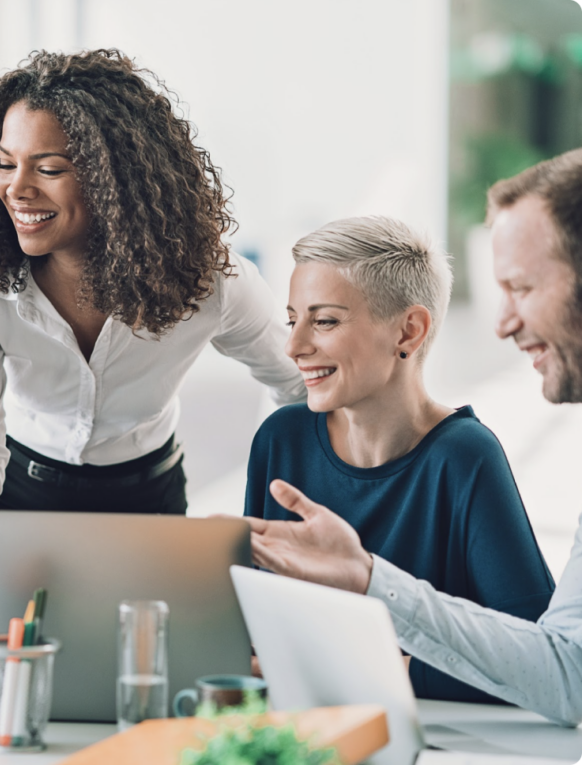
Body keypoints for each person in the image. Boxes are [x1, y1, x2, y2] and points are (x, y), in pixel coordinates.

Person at [247, 148, 582, 726]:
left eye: (324, 320)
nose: (294, 345)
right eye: (293, 319)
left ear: (409, 330)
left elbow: (545, 664)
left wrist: (361, 634)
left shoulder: (464, 454)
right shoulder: (282, 439)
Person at [0, 49, 305, 513]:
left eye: (49, 169)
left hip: (148, 495)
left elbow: (299, 388)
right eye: (6, 163)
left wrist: (277, 486)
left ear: (113, 180)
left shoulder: (210, 281)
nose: (16, 189)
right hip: (16, 487)